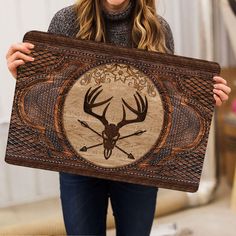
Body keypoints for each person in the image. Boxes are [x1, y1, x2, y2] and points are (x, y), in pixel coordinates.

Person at [6, 0, 231, 235]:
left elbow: (164, 107)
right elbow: (55, 96)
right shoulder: (67, 22)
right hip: (78, 166)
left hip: (139, 168)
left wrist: (199, 101)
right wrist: (26, 78)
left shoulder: (157, 30)